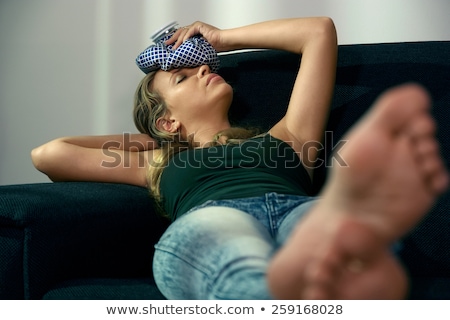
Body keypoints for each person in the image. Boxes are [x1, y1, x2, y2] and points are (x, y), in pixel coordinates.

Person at [31, 17, 448, 299]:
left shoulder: (288, 135)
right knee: (248, 280)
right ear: (167, 121)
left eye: (201, 65)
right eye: (182, 76)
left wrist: (222, 39)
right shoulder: (157, 165)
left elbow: (318, 32)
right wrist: (159, 141)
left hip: (303, 212)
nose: (201, 70)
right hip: (214, 218)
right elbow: (50, 154)